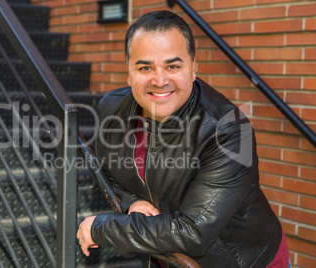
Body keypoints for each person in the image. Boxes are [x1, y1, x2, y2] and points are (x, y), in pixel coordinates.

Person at [77, 10, 290, 268]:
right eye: (145, 67)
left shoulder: (230, 130)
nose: (159, 80)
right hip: (168, 256)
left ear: (193, 68)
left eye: (173, 66)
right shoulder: (111, 109)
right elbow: (107, 174)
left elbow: (193, 232)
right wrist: (131, 202)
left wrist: (101, 228)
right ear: (129, 73)